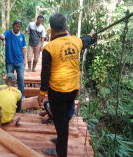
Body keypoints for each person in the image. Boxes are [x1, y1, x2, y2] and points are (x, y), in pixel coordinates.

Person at [37, 13, 96, 157]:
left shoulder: (49, 48)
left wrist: (42, 93)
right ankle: (61, 138)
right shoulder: (76, 41)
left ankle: (60, 152)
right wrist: (91, 34)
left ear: (51, 29)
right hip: (73, 90)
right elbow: (87, 40)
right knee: (63, 120)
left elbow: (45, 74)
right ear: (66, 27)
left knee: (60, 121)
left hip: (57, 91)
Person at [0, 19, 26, 112]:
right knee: (9, 79)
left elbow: (24, 48)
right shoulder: (8, 33)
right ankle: (9, 94)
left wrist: (24, 61)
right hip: (10, 61)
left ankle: (21, 95)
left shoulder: (22, 36)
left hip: (19, 60)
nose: (18, 28)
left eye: (19, 26)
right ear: (13, 26)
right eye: (16, 26)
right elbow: (2, 37)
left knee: (20, 78)